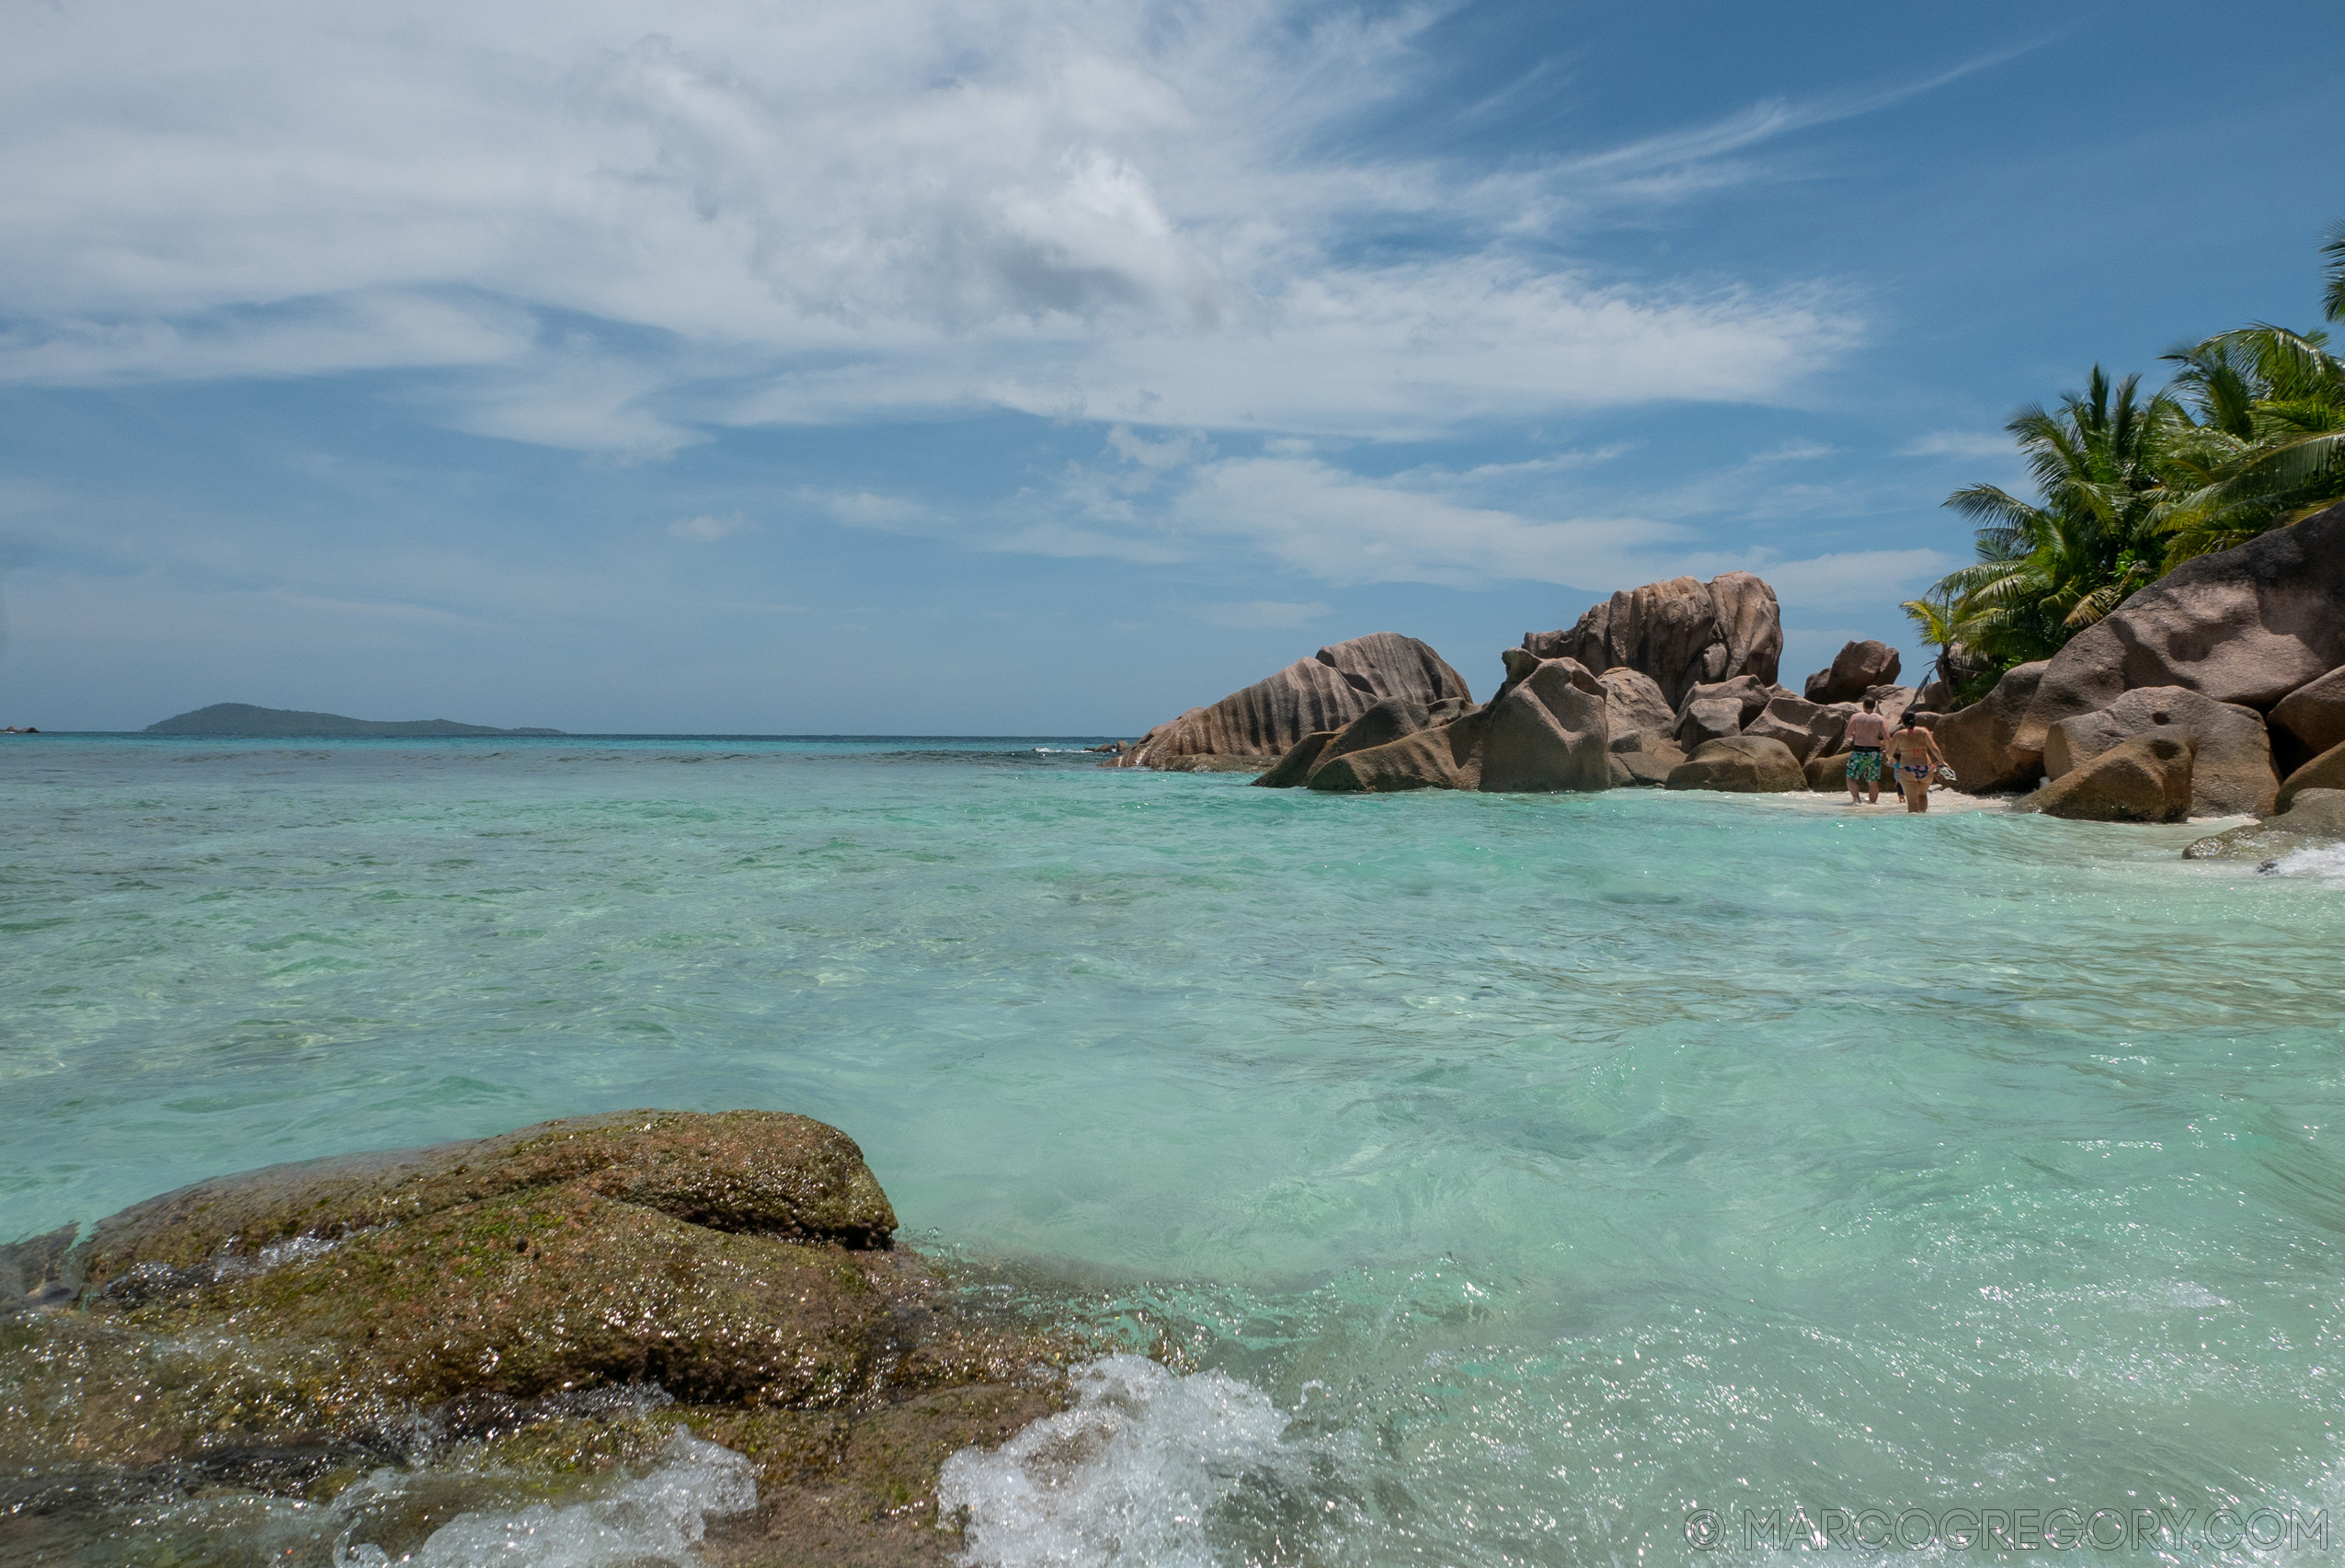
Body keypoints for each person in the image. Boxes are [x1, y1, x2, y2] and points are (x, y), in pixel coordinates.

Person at [1887, 712, 1948, 813]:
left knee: (1912, 801)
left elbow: (1889, 753)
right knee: (1922, 796)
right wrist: (1942, 761)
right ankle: (1923, 821)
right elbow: (1934, 748)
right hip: (1926, 768)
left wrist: (1890, 760)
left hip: (1907, 769)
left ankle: (1914, 826)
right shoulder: (1924, 731)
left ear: (1902, 722)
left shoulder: (1899, 734)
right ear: (1915, 720)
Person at [1843, 697, 1889, 804]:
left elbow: (1847, 735)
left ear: (1863, 705)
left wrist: (1858, 734)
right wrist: (1888, 752)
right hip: (1874, 751)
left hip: (1859, 750)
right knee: (1873, 781)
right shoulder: (1880, 719)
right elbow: (1886, 737)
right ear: (1874, 706)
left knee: (1850, 777)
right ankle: (1872, 804)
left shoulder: (1856, 717)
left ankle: (1856, 800)